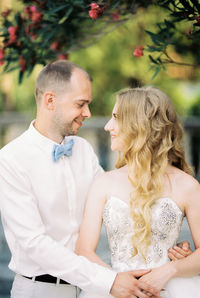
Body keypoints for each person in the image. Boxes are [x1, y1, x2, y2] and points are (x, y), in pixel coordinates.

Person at [0, 61, 161, 298]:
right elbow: (34, 244)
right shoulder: (10, 160)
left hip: (90, 291)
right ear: (50, 101)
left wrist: (166, 237)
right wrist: (108, 281)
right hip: (40, 291)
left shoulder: (83, 149)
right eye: (81, 104)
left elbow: (117, 203)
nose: (88, 113)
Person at [75, 86, 200, 298]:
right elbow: (83, 251)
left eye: (116, 117)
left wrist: (171, 269)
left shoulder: (187, 185)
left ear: (139, 125)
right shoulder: (103, 183)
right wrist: (117, 282)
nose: (107, 126)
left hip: (173, 289)